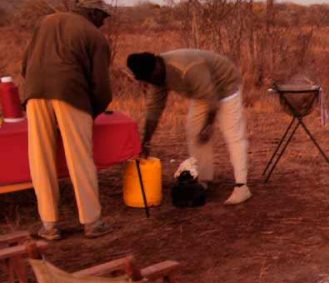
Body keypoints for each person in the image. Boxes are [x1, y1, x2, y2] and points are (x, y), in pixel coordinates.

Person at [21, 0, 114, 240]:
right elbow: (102, 87)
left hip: (34, 92)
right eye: (103, 18)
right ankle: (92, 222)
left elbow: (25, 64)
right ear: (94, 13)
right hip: (71, 93)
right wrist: (90, 112)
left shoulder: (46, 22)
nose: (103, 23)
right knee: (80, 157)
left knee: (40, 157)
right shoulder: (95, 37)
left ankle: (49, 225)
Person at [127, 49, 251, 205]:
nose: (151, 84)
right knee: (194, 132)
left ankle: (242, 185)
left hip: (225, 84)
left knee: (233, 135)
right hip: (203, 91)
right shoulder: (156, 77)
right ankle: (203, 180)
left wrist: (208, 126)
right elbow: (154, 110)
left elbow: (212, 98)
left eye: (150, 79)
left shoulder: (188, 69)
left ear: (157, 68)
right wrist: (146, 141)